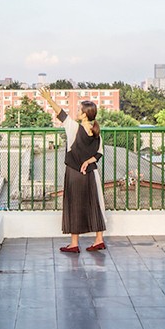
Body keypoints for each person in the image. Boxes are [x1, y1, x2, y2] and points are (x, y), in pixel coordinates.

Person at [39, 87, 106, 252]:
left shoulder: (74, 127)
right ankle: (99, 240)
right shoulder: (96, 132)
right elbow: (99, 154)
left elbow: (60, 113)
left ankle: (74, 244)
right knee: (95, 204)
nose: (76, 111)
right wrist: (87, 162)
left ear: (84, 114)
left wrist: (48, 98)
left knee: (74, 205)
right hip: (92, 173)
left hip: (75, 173)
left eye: (79, 110)